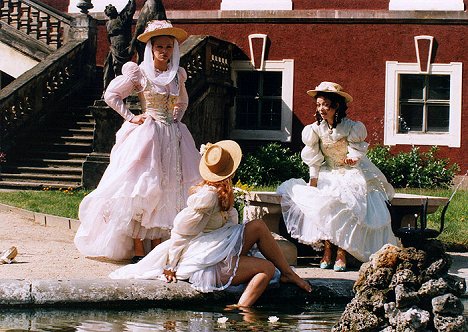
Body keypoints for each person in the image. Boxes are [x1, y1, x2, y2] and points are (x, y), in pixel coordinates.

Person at [110, 140, 312, 307]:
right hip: (205, 255)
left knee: (258, 226)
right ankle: (240, 311)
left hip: (221, 244)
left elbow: (228, 225)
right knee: (266, 269)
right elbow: (181, 231)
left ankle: (287, 273)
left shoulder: (224, 190)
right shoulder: (207, 196)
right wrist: (171, 264)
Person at [74, 20, 202, 263]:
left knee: (167, 186)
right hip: (148, 135)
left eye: (168, 47)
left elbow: (183, 102)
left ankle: (156, 242)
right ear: (151, 49)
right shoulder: (140, 73)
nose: (164, 52)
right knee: (143, 187)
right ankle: (137, 247)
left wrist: (175, 119)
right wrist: (132, 117)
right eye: (159, 47)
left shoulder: (177, 76)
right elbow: (112, 95)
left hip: (172, 136)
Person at [277, 81, 398, 272]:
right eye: (318, 105)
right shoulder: (314, 130)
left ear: (337, 105)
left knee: (350, 198)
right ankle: (327, 249)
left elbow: (356, 152)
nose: (321, 109)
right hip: (329, 171)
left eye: (325, 104)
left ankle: (342, 251)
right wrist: (313, 180)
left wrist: (352, 159)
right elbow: (314, 159)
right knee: (324, 200)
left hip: (350, 171)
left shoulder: (352, 127)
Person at [102, 1, 136, 91]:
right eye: (108, 9)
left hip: (122, 46)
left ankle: (121, 88)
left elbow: (130, 10)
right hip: (113, 47)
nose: (110, 10)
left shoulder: (121, 18)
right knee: (109, 67)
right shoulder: (107, 23)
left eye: (111, 8)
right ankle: (108, 88)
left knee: (120, 68)